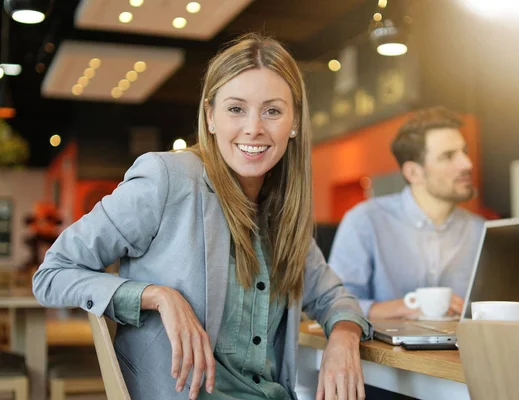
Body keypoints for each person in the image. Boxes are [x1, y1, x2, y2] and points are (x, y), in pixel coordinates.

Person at [33, 34, 371, 400]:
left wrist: (344, 336)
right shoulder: (166, 179)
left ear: (294, 122)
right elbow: (53, 274)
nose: (254, 128)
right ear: (210, 116)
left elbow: (333, 297)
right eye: (236, 109)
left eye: (272, 110)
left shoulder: (283, 211)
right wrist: (155, 295)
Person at [328, 106, 519, 321]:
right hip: (386, 363)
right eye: (448, 156)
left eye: (464, 152)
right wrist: (409, 307)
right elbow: (336, 304)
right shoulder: (365, 221)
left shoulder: (480, 229)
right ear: (414, 172)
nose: (467, 164)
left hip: (461, 360)